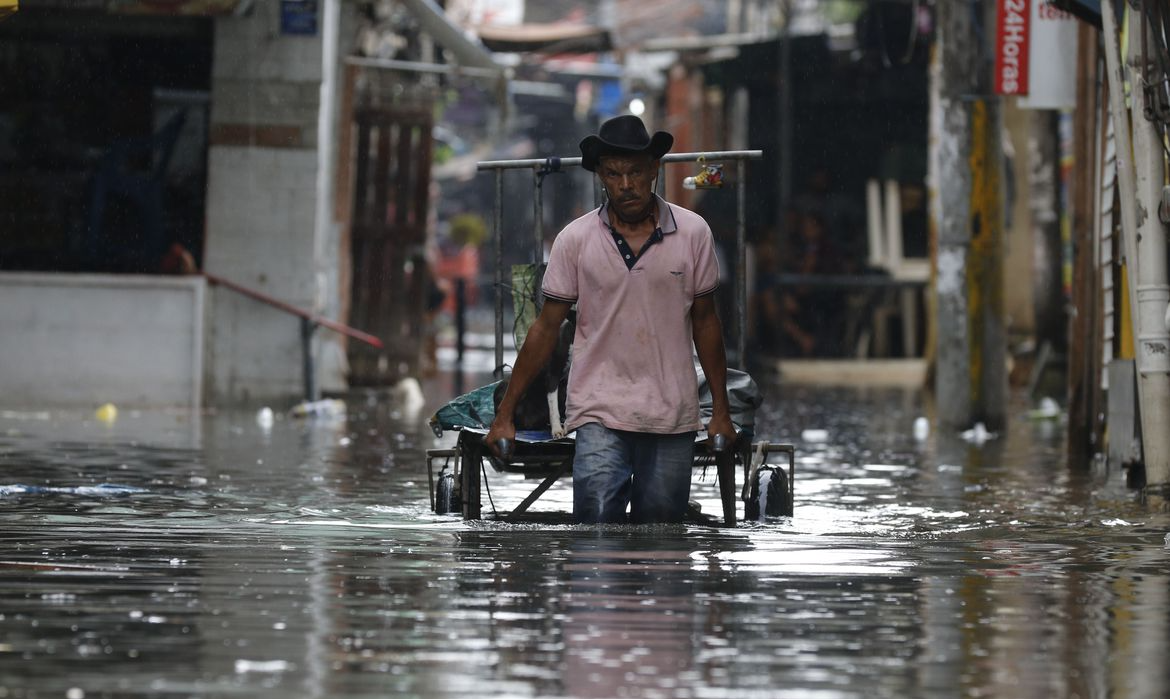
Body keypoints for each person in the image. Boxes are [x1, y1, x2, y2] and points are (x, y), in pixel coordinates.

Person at [485, 114, 736, 524]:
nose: (625, 185)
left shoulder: (693, 234)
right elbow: (546, 328)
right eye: (615, 174)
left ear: (654, 170)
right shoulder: (576, 239)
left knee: (661, 532)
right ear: (601, 176)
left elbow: (707, 323)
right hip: (598, 408)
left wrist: (721, 411)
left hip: (671, 411)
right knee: (596, 526)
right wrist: (505, 414)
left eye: (635, 173)